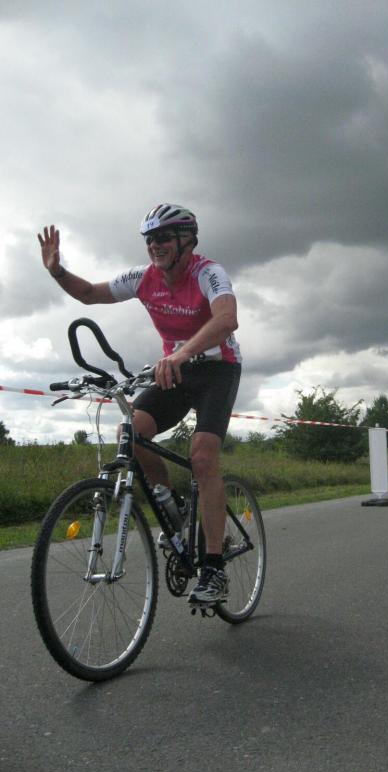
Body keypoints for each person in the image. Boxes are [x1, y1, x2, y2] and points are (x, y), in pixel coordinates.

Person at [38, 204, 242, 605]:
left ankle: (214, 568)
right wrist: (57, 271)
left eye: (163, 237)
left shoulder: (208, 272)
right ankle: (173, 508)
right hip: (173, 371)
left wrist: (182, 353)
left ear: (187, 240)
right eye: (149, 239)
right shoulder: (142, 279)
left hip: (217, 370)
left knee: (203, 457)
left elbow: (227, 319)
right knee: (129, 434)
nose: (154, 246)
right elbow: (90, 294)